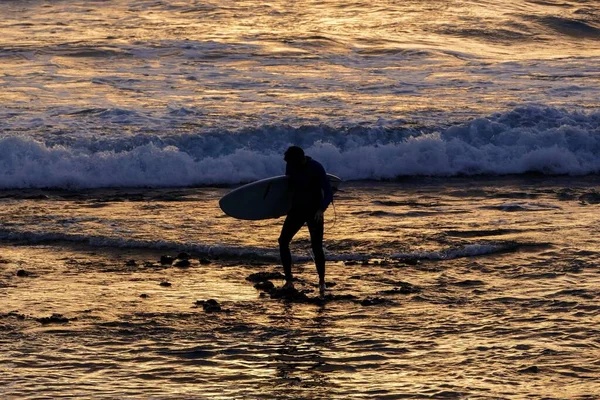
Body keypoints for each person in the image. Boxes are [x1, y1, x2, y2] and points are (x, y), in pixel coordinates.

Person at [278, 146, 333, 298]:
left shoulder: (316, 167)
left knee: (316, 246)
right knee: (283, 241)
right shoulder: (291, 165)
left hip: (314, 210)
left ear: (300, 159)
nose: (290, 166)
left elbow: (328, 191)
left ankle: (322, 282)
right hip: (297, 210)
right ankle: (289, 281)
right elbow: (289, 189)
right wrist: (278, 209)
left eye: (292, 163)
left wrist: (321, 210)